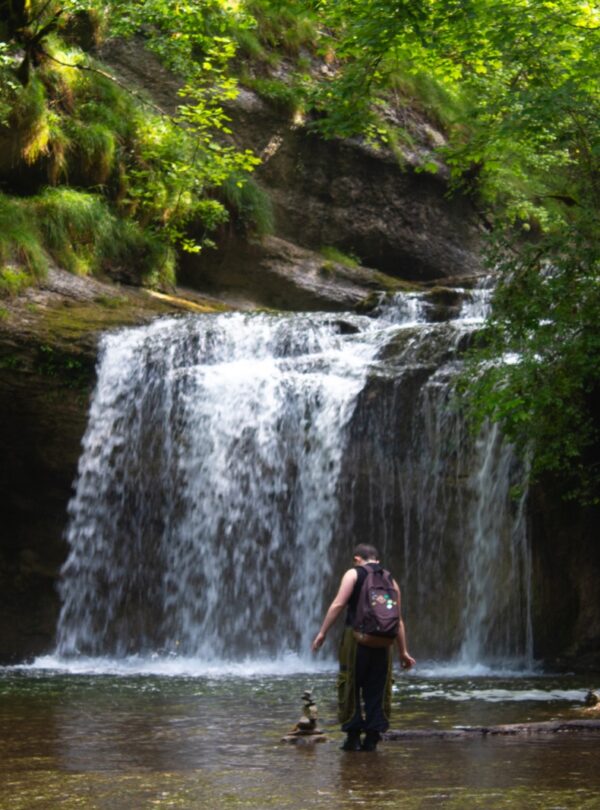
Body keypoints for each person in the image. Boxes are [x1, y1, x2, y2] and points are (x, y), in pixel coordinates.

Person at [311, 543, 415, 751]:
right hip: (384, 642)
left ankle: (353, 737)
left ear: (357, 559)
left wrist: (322, 632)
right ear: (377, 559)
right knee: (378, 689)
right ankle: (372, 738)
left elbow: (338, 604)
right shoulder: (390, 579)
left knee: (350, 684)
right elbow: (398, 619)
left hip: (356, 639)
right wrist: (403, 651)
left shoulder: (353, 574)